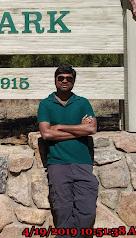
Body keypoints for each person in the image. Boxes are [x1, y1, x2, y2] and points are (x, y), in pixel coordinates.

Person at [37, 64, 98, 238]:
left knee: (87, 212)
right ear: (55, 80)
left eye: (69, 78)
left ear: (73, 81)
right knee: (63, 212)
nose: (65, 81)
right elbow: (47, 133)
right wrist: (78, 131)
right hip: (58, 164)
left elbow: (91, 129)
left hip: (83, 164)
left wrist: (61, 127)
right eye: (61, 78)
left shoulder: (82, 102)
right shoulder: (46, 104)